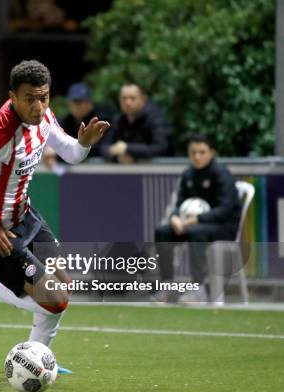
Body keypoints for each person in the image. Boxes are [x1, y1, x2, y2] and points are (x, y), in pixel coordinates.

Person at [0, 60, 109, 373]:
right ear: (12, 97)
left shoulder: (44, 116)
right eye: (30, 99)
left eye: (44, 97)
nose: (38, 106)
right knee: (55, 299)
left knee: (64, 285)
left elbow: (71, 153)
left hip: (25, 217)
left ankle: (37, 356)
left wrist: (85, 145)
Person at [154, 134, 241, 303]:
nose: (197, 156)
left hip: (223, 226)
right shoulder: (188, 175)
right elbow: (179, 203)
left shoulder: (222, 175)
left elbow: (225, 209)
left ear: (212, 153)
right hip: (191, 224)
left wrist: (197, 219)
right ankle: (168, 286)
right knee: (162, 231)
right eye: (193, 152)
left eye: (202, 152)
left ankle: (198, 288)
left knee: (196, 232)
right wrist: (174, 218)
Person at [99, 83, 172, 163]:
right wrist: (117, 158)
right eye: (124, 98)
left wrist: (127, 149)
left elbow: (161, 148)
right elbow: (103, 147)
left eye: (132, 98)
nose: (128, 102)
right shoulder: (117, 120)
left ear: (143, 99)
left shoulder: (156, 119)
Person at [60, 82, 112, 157]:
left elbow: (104, 149)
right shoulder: (65, 122)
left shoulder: (100, 121)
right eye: (73, 101)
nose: (76, 106)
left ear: (90, 103)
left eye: (79, 102)